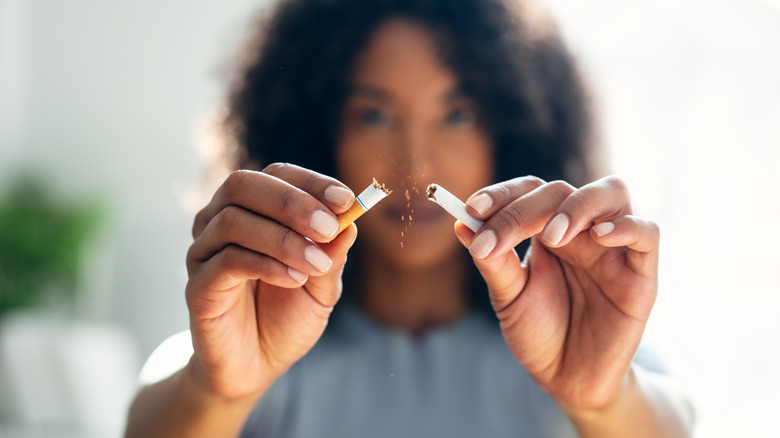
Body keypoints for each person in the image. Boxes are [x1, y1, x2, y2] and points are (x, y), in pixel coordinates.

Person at [125, 0, 695, 436]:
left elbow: (678, 421)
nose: (416, 166)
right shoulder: (252, 340)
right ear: (324, 137)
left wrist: (603, 400)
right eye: (373, 115)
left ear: (512, 132)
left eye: (457, 113)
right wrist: (217, 393)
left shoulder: (577, 335)